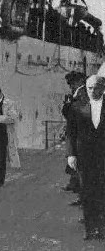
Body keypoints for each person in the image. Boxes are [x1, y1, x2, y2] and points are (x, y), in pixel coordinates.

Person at [67, 75, 105, 241]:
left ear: (103, 88)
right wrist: (71, 154)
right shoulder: (77, 107)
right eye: (89, 88)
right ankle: (90, 229)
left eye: (96, 88)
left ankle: (102, 229)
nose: (92, 91)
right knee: (87, 192)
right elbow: (71, 132)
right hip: (85, 157)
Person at [0, 84, 21, 187]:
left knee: (1, 158)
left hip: (3, 134)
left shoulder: (9, 103)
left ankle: (0, 180)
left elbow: (13, 118)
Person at [62, 71, 85, 195]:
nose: (71, 86)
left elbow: (73, 114)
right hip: (76, 133)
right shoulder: (75, 94)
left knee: (78, 161)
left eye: (72, 83)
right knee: (75, 160)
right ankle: (75, 185)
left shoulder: (83, 94)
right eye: (70, 83)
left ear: (80, 81)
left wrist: (68, 104)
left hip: (80, 134)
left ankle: (80, 190)